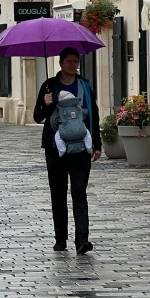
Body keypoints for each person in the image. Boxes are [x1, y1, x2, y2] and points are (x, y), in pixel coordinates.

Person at [33, 47, 102, 254]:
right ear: (61, 63)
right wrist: (46, 105)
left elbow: (93, 115)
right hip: (56, 149)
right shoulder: (49, 86)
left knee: (79, 192)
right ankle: (60, 238)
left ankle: (82, 240)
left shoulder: (84, 85)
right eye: (69, 61)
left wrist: (97, 145)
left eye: (76, 61)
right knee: (58, 194)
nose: (73, 65)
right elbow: (37, 116)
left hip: (81, 148)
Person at [53, 90, 93, 157]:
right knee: (87, 134)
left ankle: (62, 150)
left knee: (57, 136)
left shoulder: (59, 110)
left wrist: (56, 127)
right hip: (80, 130)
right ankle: (89, 147)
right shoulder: (78, 108)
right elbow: (84, 113)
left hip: (65, 131)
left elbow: (54, 120)